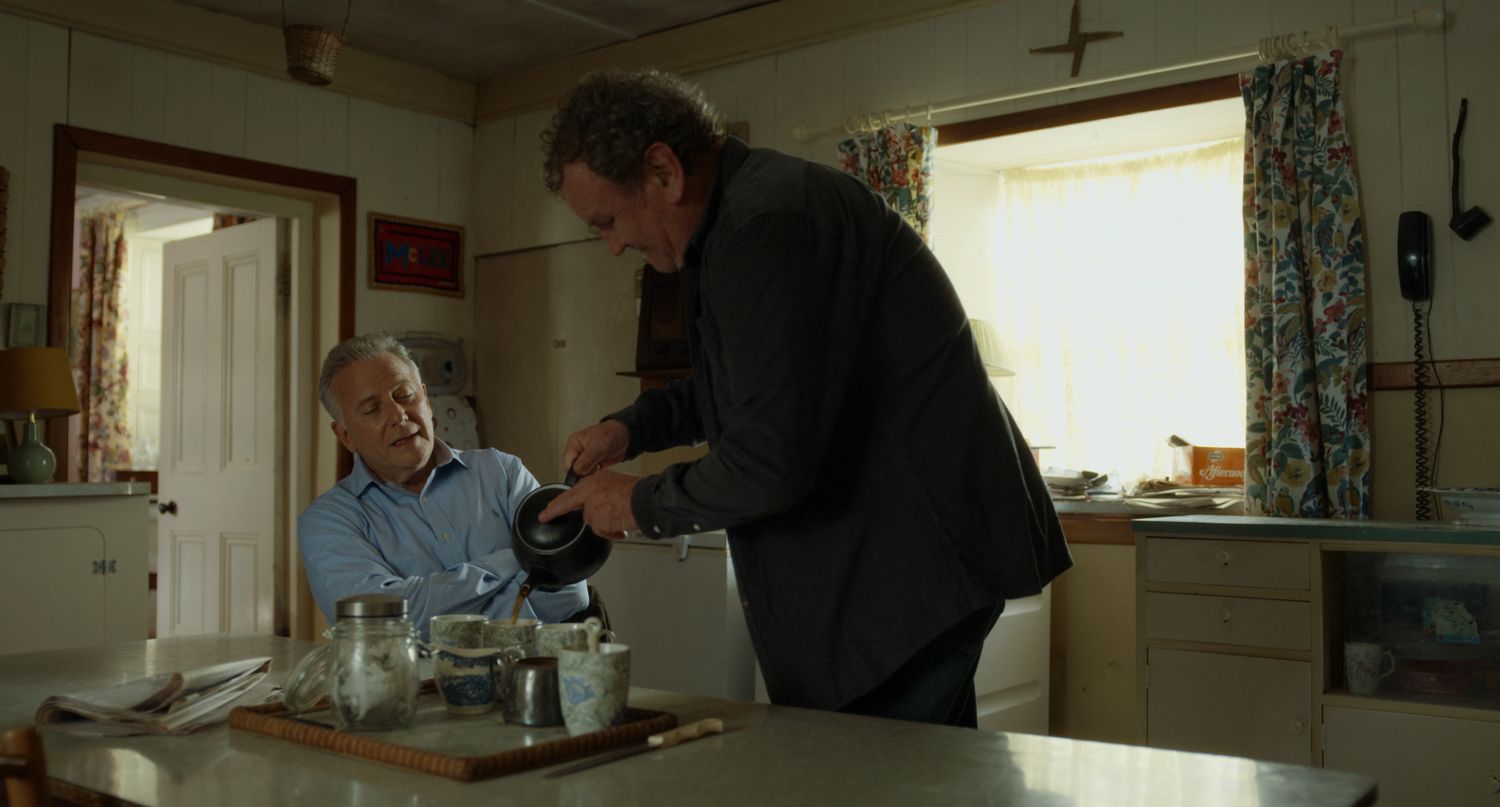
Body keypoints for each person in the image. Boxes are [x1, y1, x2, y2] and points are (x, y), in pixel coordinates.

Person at [535, 68, 1071, 727]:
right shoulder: (740, 220)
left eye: (609, 220)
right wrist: (632, 427)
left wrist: (636, 501)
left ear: (664, 171)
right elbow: (750, 385)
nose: (615, 245)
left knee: (870, 773)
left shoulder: (769, 224)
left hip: (910, 574)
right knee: (925, 773)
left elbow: (768, 459)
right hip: (900, 570)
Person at [298, 332, 588, 635]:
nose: (398, 415)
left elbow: (570, 592)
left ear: (425, 399)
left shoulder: (501, 472)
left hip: (533, 665)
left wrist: (430, 609)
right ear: (345, 436)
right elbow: (375, 625)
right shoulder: (328, 521)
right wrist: (513, 560)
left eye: (404, 395)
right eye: (372, 410)